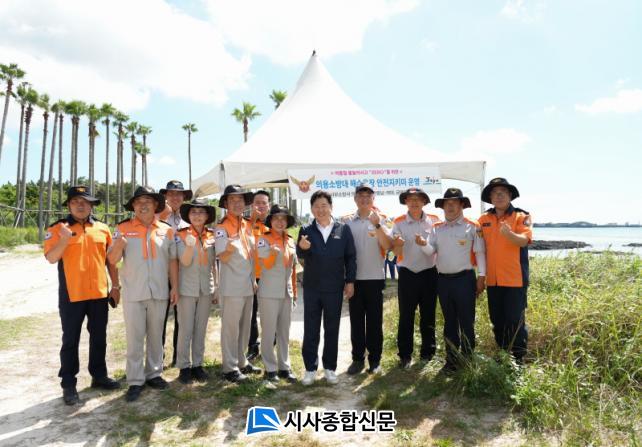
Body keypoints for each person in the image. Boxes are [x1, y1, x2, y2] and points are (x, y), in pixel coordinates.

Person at [44, 186, 121, 405]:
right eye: (75, 201)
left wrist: (116, 286)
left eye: (85, 201)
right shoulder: (58, 228)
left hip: (99, 293)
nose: (80, 205)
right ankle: (68, 384)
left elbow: (111, 261)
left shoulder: (102, 228)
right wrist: (64, 239)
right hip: (72, 294)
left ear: (91, 205)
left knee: (99, 337)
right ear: (68, 205)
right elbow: (51, 258)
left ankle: (99, 376)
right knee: (70, 339)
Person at [107, 186, 179, 402]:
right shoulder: (123, 228)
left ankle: (154, 374)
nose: (143, 205)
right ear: (133, 206)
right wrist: (118, 245)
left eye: (148, 201)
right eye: (138, 202)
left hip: (159, 291)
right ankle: (135, 380)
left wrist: (175, 286)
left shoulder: (166, 230)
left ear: (156, 205)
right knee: (135, 338)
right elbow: (112, 260)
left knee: (156, 336)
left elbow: (172, 260)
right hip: (134, 292)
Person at [422, 188, 486, 374]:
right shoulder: (437, 228)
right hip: (443, 280)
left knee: (467, 322)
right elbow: (430, 250)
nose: (450, 206)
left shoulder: (472, 226)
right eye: (446, 203)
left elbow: (480, 253)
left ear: (462, 205)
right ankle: (451, 361)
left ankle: (468, 360)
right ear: (442, 207)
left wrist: (482, 277)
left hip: (465, 279)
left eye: (454, 202)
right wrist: (422, 244)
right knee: (449, 322)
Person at [297, 190, 356, 386]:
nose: (320, 209)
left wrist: (350, 281)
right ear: (312, 209)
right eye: (316, 206)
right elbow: (300, 254)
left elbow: (350, 257)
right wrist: (302, 248)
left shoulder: (343, 229)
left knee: (332, 328)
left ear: (331, 207)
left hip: (334, 287)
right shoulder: (306, 229)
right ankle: (310, 369)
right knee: (311, 328)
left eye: (324, 205)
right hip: (312, 288)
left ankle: (330, 368)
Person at [478, 177, 532, 363]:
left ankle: (518, 359)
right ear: (490, 197)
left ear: (510, 195)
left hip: (515, 279)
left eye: (503, 192)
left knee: (515, 320)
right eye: (495, 193)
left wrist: (509, 234)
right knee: (497, 320)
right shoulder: (483, 219)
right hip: (493, 280)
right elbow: (476, 246)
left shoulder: (521, 216)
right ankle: (503, 355)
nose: (499, 195)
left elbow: (524, 241)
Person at [341, 184, 392, 375]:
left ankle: (375, 360)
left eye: (368, 196)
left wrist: (377, 225)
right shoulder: (347, 221)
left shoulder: (382, 219)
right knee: (356, 321)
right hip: (354, 280)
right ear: (355, 199)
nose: (364, 199)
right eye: (360, 196)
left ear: (373, 199)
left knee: (374, 322)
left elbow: (387, 246)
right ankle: (357, 359)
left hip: (375, 278)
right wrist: (346, 280)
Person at [215, 185, 261, 382]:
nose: (236, 203)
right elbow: (223, 256)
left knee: (244, 327)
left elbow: (250, 255)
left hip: (247, 284)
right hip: (232, 286)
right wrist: (229, 247)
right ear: (226, 204)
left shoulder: (246, 225)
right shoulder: (222, 227)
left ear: (245, 203)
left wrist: (253, 280)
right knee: (231, 328)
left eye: (240, 200)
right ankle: (229, 367)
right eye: (232, 200)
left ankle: (241, 361)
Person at [391, 187, 440, 369]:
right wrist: (397, 244)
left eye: (418, 199)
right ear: (405, 202)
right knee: (406, 316)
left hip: (429, 273)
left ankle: (428, 353)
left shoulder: (434, 220)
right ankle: (405, 355)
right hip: (407, 274)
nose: (414, 202)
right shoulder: (398, 222)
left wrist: (424, 244)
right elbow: (395, 251)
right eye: (410, 199)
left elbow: (437, 247)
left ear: (424, 202)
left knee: (428, 315)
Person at [175, 198, 217, 384]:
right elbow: (183, 262)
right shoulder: (181, 235)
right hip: (186, 288)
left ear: (207, 216)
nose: (197, 215)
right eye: (194, 212)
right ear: (188, 216)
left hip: (205, 288)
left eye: (201, 212)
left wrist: (216, 286)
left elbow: (213, 264)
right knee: (186, 328)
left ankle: (198, 365)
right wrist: (189, 246)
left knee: (201, 328)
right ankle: (184, 366)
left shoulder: (212, 235)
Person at [256, 205, 299, 383]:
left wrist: (294, 291)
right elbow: (265, 264)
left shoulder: (290, 241)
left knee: (284, 332)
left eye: (283, 218)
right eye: (276, 218)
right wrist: (272, 254)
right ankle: (270, 368)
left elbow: (293, 269)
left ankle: (284, 367)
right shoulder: (263, 240)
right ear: (270, 221)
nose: (280, 222)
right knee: (268, 332)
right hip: (269, 292)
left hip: (286, 293)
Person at [158, 180, 192, 367]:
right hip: (162, 273)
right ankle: (158, 357)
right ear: (165, 196)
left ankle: (179, 356)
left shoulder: (189, 219)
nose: (175, 197)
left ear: (184, 197)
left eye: (178, 194)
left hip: (184, 273)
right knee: (159, 318)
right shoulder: (156, 218)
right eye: (170, 194)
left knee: (182, 318)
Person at [246, 190, 271, 361]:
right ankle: (253, 347)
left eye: (264, 203)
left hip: (270, 277)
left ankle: (270, 345)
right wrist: (253, 220)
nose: (260, 206)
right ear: (252, 205)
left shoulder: (276, 224)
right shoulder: (245, 224)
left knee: (270, 313)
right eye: (257, 202)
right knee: (251, 314)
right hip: (251, 276)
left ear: (268, 206)